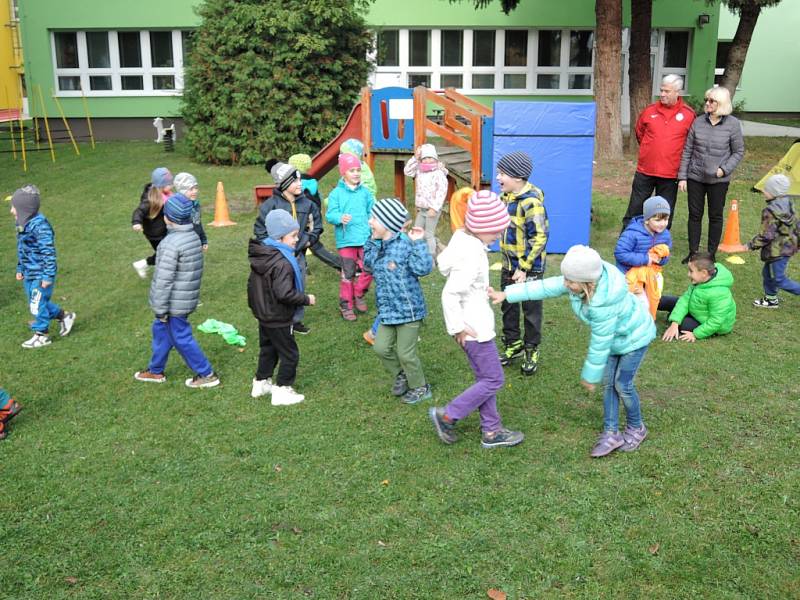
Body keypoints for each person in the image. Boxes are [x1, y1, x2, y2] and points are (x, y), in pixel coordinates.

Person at [489, 245, 656, 458]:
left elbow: (600, 342)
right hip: (616, 340)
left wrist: (589, 376)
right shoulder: (581, 280)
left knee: (622, 384)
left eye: (570, 282)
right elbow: (546, 286)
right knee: (609, 384)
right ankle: (611, 433)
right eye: (566, 279)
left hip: (634, 338)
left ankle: (636, 427)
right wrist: (508, 294)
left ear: (588, 283)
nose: (565, 284)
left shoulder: (602, 303)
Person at [429, 190, 525, 449]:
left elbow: (464, 282)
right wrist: (458, 328)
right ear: (481, 227)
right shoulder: (471, 254)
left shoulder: (463, 239)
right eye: (495, 231)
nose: (497, 236)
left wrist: (484, 291)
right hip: (474, 330)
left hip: (474, 325)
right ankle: (448, 415)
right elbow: (450, 293)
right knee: (494, 379)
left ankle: (491, 431)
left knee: (486, 379)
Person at [134, 194, 219, 388]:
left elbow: (163, 281)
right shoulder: (192, 236)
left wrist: (160, 308)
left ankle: (206, 373)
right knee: (161, 331)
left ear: (167, 217)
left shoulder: (169, 245)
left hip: (173, 304)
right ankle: (155, 371)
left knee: (180, 337)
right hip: (184, 298)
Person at [364, 198, 433, 405]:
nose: (370, 222)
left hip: (409, 311)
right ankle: (401, 374)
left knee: (406, 353)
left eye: (374, 218)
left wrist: (419, 243)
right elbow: (367, 265)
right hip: (387, 311)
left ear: (387, 223)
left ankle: (421, 387)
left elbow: (423, 269)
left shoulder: (406, 244)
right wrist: (373, 243)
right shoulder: (376, 244)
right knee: (380, 348)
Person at [248, 209, 316, 406]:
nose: (297, 239)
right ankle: (282, 389)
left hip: (264, 315)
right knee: (289, 353)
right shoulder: (282, 263)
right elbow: (284, 293)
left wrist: (257, 309)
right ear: (279, 237)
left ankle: (261, 383)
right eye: (293, 236)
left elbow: (252, 286)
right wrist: (305, 299)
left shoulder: (264, 255)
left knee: (268, 349)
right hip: (279, 317)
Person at [254, 161, 322, 335]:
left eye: (300, 180)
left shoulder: (307, 204)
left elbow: (316, 224)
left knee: (299, 286)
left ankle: (296, 320)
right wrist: (273, 248)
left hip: (298, 256)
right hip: (277, 259)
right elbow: (260, 231)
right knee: (280, 289)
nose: (300, 184)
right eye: (295, 181)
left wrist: (308, 241)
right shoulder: (270, 206)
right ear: (284, 184)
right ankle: (280, 320)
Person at [678, 86, 745, 263]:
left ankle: (710, 254)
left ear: (721, 104)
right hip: (695, 177)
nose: (707, 103)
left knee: (715, 216)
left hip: (718, 180)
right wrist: (683, 177)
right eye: (707, 100)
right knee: (694, 215)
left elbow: (738, 151)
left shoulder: (733, 125)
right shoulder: (698, 122)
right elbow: (687, 150)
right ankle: (693, 252)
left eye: (711, 101)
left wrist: (723, 169)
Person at [496, 150, 549, 376]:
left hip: (529, 268)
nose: (498, 178)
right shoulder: (505, 198)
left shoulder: (531, 203)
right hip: (509, 265)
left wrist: (524, 267)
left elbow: (539, 238)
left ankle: (531, 348)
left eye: (502, 174)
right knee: (508, 305)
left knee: (531, 310)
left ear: (517, 177)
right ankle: (513, 344)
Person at [622, 74, 695, 231]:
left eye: (667, 91)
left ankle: (660, 243)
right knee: (635, 206)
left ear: (678, 92)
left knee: (664, 210)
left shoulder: (688, 115)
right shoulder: (650, 111)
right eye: (661, 90)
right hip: (646, 170)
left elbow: (691, 142)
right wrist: (651, 149)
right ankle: (627, 237)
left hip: (670, 173)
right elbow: (639, 132)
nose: (662, 94)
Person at [10, 185, 76, 349]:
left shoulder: (41, 227)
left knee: (36, 303)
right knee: (37, 301)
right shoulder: (21, 223)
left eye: (14, 207)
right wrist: (20, 268)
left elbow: (49, 253)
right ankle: (64, 316)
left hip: (41, 274)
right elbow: (22, 249)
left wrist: (47, 276)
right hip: (29, 272)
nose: (11, 211)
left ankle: (42, 335)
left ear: (25, 209)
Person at [730, 174, 799, 308]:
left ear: (775, 193)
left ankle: (772, 298)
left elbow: (766, 235)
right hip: (788, 246)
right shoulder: (788, 202)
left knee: (779, 279)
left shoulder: (770, 211)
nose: (763, 191)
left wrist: (748, 246)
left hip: (778, 250)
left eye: (767, 190)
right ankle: (771, 299)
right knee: (767, 273)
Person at [326, 153, 375, 321]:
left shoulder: (365, 192)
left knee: (368, 269)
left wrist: (373, 223)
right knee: (348, 274)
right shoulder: (336, 194)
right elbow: (330, 214)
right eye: (351, 170)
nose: (356, 173)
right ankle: (346, 305)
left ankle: (359, 293)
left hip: (365, 238)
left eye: (358, 170)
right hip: (346, 241)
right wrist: (339, 217)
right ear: (343, 173)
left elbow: (372, 211)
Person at [615, 196, 673, 317]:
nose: (663, 224)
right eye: (658, 220)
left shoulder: (665, 234)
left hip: (652, 274)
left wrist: (661, 259)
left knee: (653, 297)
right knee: (640, 304)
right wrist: (646, 259)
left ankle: (647, 320)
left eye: (666, 219)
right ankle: (634, 326)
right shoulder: (632, 233)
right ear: (647, 219)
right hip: (630, 275)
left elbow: (667, 253)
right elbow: (620, 253)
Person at [661, 252, 736, 342]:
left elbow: (716, 321)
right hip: (696, 309)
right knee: (666, 301)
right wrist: (675, 322)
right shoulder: (701, 280)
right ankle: (644, 303)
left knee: (684, 325)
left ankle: (678, 319)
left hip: (710, 323)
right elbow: (685, 300)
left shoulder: (719, 294)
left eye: (691, 271)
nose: (688, 274)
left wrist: (695, 334)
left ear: (704, 273)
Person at [287, 153, 342, 271]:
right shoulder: (311, 182)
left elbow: (301, 206)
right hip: (312, 220)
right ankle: (301, 266)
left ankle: (342, 265)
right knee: (299, 243)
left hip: (304, 222)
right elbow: (316, 203)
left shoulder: (297, 185)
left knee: (314, 246)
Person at [404, 143, 449, 256]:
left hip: (432, 210)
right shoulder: (419, 170)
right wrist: (415, 158)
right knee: (417, 230)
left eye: (430, 158)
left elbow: (441, 192)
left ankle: (431, 256)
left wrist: (434, 208)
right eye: (425, 158)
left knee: (429, 234)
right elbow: (407, 171)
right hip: (422, 209)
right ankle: (417, 253)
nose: (427, 161)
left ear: (435, 158)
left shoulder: (438, 173)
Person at [131, 167, 173, 278]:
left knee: (167, 253)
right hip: (155, 235)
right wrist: (136, 223)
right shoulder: (150, 200)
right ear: (161, 185)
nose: (172, 186)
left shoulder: (166, 195)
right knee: (165, 255)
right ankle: (143, 264)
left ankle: (143, 264)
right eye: (169, 184)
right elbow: (139, 211)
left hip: (165, 230)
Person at [172, 172, 208, 252]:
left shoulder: (195, 204)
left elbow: (197, 223)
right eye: (191, 189)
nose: (195, 191)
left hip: (195, 243)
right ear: (182, 190)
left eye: (196, 188)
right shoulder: (176, 207)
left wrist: (203, 240)